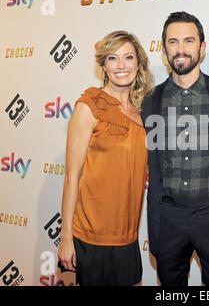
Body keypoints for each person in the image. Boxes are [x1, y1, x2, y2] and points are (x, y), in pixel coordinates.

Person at [140, 11, 209, 286]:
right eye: (173, 42)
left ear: (202, 47)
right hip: (168, 217)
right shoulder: (148, 102)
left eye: (188, 40)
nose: (181, 49)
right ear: (164, 50)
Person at [57, 31, 153, 286]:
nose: (121, 65)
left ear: (138, 64)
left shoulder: (144, 112)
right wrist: (66, 237)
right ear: (104, 65)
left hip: (127, 236)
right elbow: (71, 177)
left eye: (128, 57)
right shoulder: (90, 105)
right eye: (113, 58)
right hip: (91, 236)